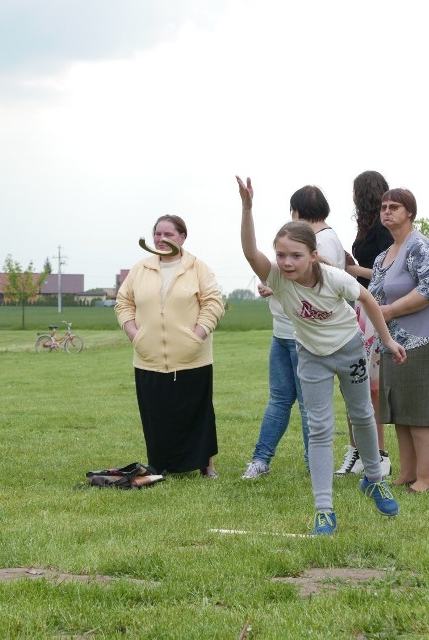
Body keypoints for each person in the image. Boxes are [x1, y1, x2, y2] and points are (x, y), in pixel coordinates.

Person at [237, 176, 407, 536]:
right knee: (319, 429)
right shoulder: (278, 279)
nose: (285, 262)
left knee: (362, 415)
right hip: (311, 356)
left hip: (349, 351)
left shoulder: (332, 277)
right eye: (281, 255)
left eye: (295, 255)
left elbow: (368, 300)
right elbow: (251, 252)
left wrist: (388, 341)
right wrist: (248, 208)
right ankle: (324, 510)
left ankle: (375, 479)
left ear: (313, 255)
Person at [241, 185, 341, 479]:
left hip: (305, 338)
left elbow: (320, 285)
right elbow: (253, 254)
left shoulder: (323, 241)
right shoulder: (306, 241)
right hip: (282, 334)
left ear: (297, 212)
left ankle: (315, 465)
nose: (287, 260)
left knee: (309, 405)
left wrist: (275, 286)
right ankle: (261, 459)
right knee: (280, 399)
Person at [115, 215, 225, 478]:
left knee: (197, 413)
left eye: (169, 234)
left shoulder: (198, 268)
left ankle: (205, 465)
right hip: (149, 357)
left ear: (182, 237)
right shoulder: (140, 269)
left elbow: (213, 303)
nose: (161, 239)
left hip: (192, 357)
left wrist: (197, 334)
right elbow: (123, 302)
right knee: (157, 415)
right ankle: (160, 463)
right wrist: (134, 333)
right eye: (157, 234)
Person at [369, 188, 429, 494]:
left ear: (410, 213)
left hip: (424, 339)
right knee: (401, 410)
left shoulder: (419, 246)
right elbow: (374, 295)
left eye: (395, 207)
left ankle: (426, 479)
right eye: (383, 207)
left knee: (423, 412)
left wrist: (390, 310)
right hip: (394, 342)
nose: (387, 211)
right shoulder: (383, 256)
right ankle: (408, 473)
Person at [338, 170, 394, 477]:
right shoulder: (368, 227)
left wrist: (353, 268)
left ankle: (379, 454)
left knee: (371, 386)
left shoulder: (383, 232)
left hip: (376, 308)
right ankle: (360, 450)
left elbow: (386, 274)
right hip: (362, 306)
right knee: (358, 383)